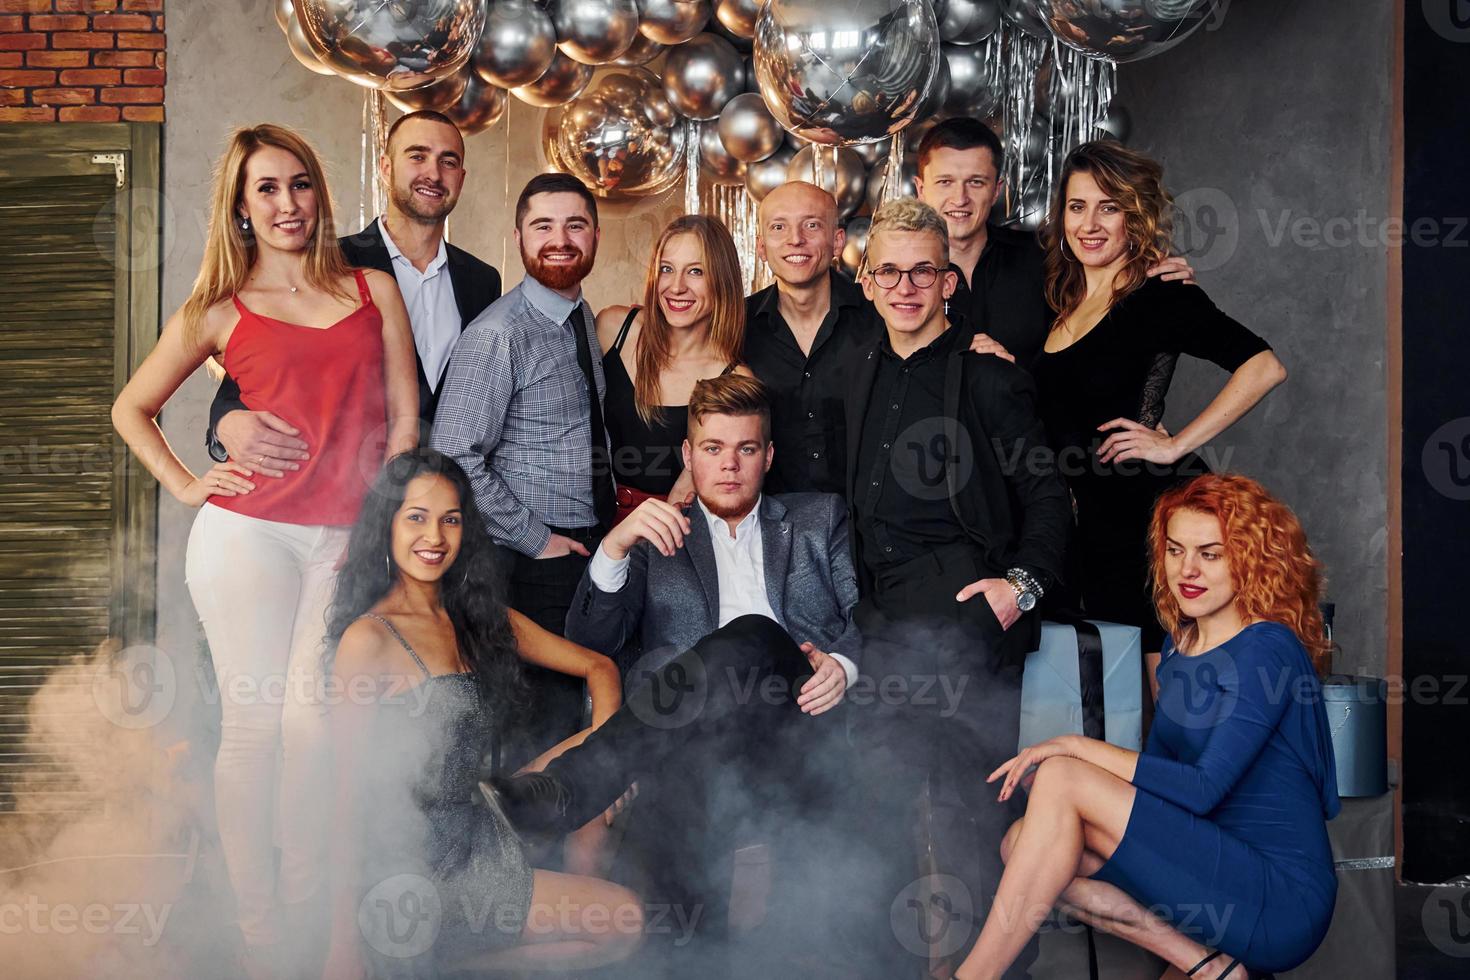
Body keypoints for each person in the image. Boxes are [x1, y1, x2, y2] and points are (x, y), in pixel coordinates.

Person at [110, 124, 419, 974]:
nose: (287, 204)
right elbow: (130, 409)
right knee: (252, 729)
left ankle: (308, 913)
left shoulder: (373, 289)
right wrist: (186, 483)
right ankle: (260, 939)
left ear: (320, 193)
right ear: (242, 209)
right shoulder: (219, 307)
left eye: (300, 185)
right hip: (248, 535)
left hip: (345, 538)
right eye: (266, 190)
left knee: (310, 724)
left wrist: (385, 532)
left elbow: (403, 423)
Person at [955, 473, 1340, 980]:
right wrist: (1068, 788)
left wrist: (1072, 749)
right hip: (1212, 871)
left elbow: (1202, 790)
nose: (1188, 570)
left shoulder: (1268, 649)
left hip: (1279, 897)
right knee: (1023, 841)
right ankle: (1205, 965)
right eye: (1176, 550)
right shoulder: (1179, 647)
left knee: (1064, 775)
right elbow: (1158, 776)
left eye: (1211, 553)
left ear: (1250, 559)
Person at [844, 198, 1072, 977]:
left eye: (923, 271)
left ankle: (1003, 969)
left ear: (948, 281)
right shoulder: (855, 370)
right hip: (876, 623)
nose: (906, 287)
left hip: (967, 624)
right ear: (867, 281)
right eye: (890, 271)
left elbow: (1049, 498)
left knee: (973, 821)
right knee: (872, 818)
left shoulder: (988, 379)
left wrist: (1021, 587)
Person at [322, 448, 640, 980]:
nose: (435, 536)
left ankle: (458, 963)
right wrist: (342, 948)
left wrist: (608, 771)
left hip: (480, 828)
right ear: (388, 525)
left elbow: (600, 668)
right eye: (416, 518)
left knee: (600, 755)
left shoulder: (475, 618)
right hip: (419, 870)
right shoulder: (369, 639)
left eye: (450, 519)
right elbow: (344, 799)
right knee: (625, 921)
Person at [1033, 140, 1288, 676]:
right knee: (1116, 706)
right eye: (1077, 206)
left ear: (1135, 215)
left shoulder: (1160, 294)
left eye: (1110, 207)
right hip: (1091, 532)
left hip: (1152, 522)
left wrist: (1175, 443)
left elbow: (1263, 366)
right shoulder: (1058, 300)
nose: (1090, 223)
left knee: (1168, 699)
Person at [430, 172, 615, 769]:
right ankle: (525, 860)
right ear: (519, 238)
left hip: (583, 551)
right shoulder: (498, 334)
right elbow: (455, 453)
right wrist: (536, 541)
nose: (559, 239)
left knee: (574, 719)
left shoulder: (580, 318)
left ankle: (566, 854)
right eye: (543, 226)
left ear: (595, 235)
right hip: (527, 563)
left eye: (575, 225)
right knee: (533, 729)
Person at [208, 110, 501, 470]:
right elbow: (253, 367)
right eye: (417, 156)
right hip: (352, 490)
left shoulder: (482, 281)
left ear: (462, 177)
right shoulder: (329, 263)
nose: (433, 173)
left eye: (448, 161)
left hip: (452, 499)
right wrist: (224, 422)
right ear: (386, 167)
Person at [914, 118, 1195, 369]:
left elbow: (1110, 314)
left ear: (997, 189)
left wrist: (1149, 274)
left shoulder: (1047, 257)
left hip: (1041, 427)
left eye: (975, 182)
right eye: (945, 182)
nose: (960, 198)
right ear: (921, 189)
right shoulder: (894, 278)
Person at [595, 214, 749, 523]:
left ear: (722, 280)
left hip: (676, 533)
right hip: (593, 525)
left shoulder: (736, 379)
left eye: (695, 271)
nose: (676, 287)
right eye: (667, 269)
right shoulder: (613, 329)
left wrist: (693, 472)